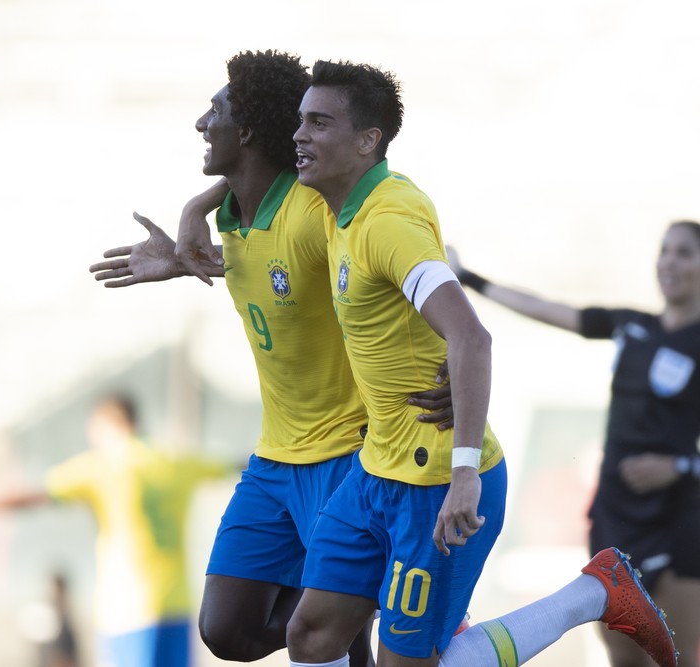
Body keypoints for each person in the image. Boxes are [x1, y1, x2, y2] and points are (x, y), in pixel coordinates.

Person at [196, 57, 677, 667]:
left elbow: (471, 337)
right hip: (374, 470)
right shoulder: (339, 206)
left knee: (402, 662)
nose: (299, 136)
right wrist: (194, 213)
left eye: (318, 123)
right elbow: (259, 197)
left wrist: (465, 474)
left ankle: (593, 593)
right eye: (299, 121)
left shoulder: (386, 221)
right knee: (311, 636)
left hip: (433, 479)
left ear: (367, 141)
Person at [89, 50, 458, 667]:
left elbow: (394, 258)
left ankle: (383, 610)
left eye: (216, 111)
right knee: (225, 631)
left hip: (346, 452)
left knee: (333, 640)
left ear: (250, 131)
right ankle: (378, 605)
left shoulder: (315, 209)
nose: (201, 123)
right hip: (275, 458)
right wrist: (191, 226)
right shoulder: (226, 218)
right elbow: (249, 222)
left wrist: (448, 356)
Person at [448, 219, 700, 667]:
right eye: (664, 250)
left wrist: (680, 466)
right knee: (624, 658)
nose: (669, 262)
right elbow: (549, 309)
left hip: (680, 517)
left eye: (684, 252)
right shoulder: (631, 325)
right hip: (616, 513)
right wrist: (470, 279)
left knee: (675, 658)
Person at [0, 393, 228, 667]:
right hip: (177, 607)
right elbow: (238, 466)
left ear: (108, 424)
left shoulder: (104, 466)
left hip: (126, 609)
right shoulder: (176, 462)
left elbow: (30, 498)